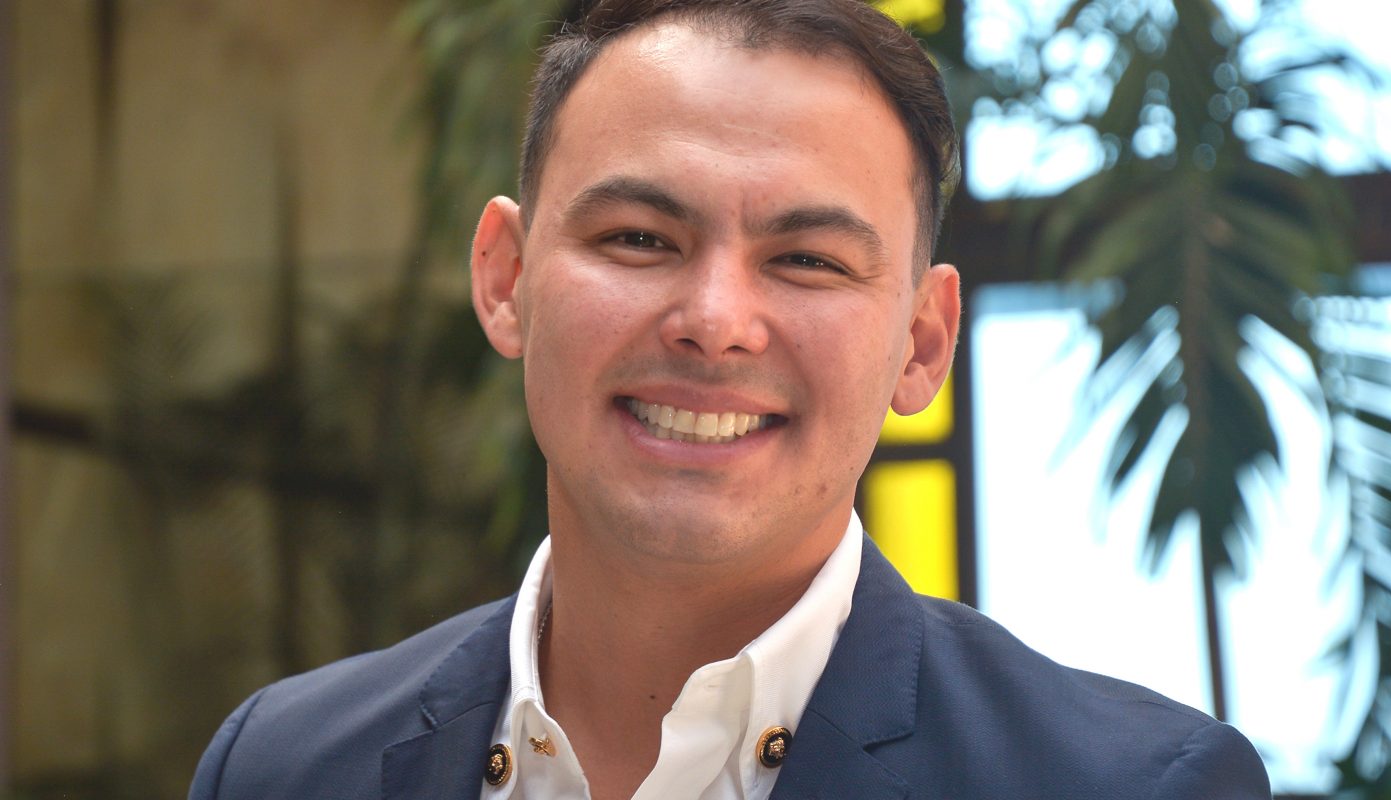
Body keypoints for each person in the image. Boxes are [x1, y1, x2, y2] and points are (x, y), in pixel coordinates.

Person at [189, 0, 1273, 798]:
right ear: (507, 278)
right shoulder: (280, 767)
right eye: (638, 238)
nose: (714, 320)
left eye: (806, 260)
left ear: (922, 342)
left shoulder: (1132, 784)